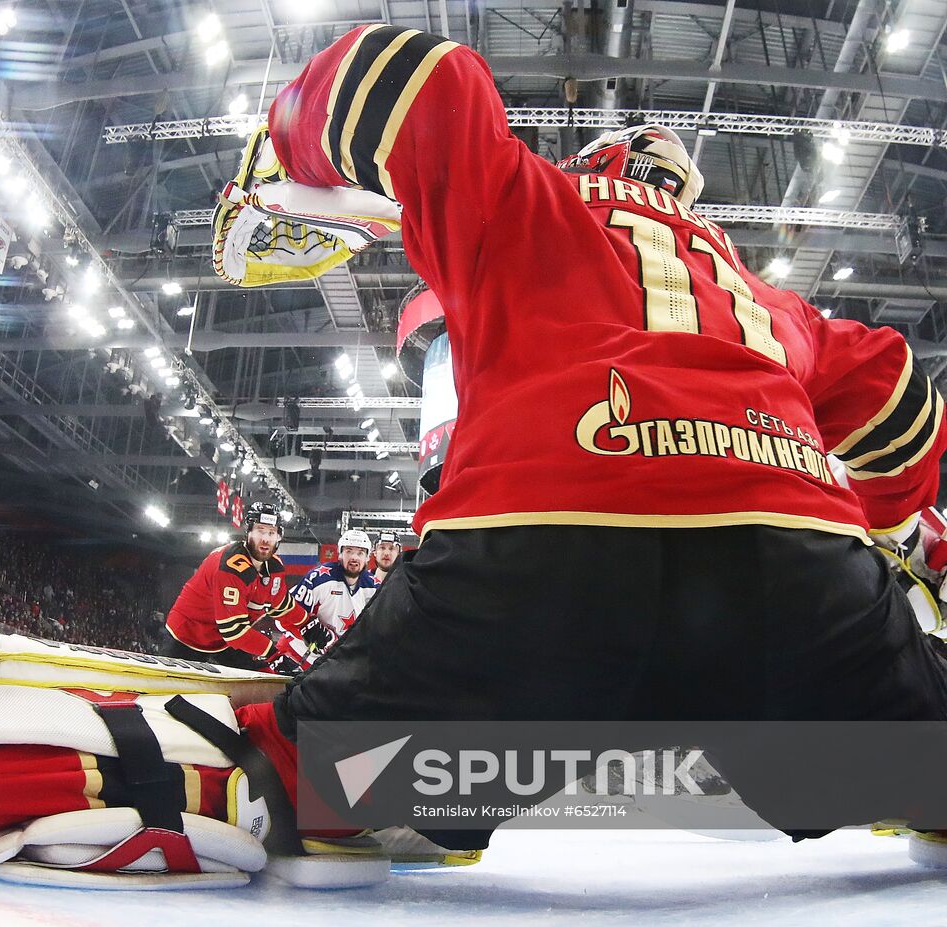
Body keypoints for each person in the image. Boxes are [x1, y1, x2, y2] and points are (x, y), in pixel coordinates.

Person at [211, 23, 947, 856]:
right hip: (799, 580)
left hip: (532, 565)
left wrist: (289, 140)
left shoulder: (529, 198)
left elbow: (421, 79)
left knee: (300, 771)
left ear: (592, 168)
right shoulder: (765, 301)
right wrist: (877, 534)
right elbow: (902, 400)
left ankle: (335, 781)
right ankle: (905, 771)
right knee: (920, 757)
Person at [163, 502, 317, 673]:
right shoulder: (230, 566)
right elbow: (234, 631)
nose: (265, 539)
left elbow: (281, 605)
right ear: (248, 532)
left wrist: (307, 622)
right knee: (170, 692)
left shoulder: (275, 566)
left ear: (279, 537)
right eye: (260, 530)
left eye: (271, 533)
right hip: (187, 636)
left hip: (224, 640)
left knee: (261, 681)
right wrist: (273, 654)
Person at [292, 529, 380, 645]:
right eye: (348, 551)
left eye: (360, 553)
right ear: (340, 554)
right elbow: (290, 615)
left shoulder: (375, 587)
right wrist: (309, 632)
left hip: (341, 657)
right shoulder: (318, 578)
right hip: (303, 651)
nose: (354, 557)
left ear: (367, 557)